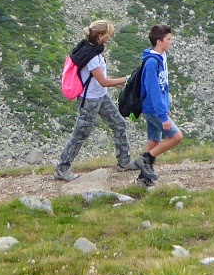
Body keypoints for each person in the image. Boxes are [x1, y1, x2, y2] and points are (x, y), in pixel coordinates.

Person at [54, 20, 133, 182]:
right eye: (108, 35)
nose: (109, 38)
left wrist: (115, 83)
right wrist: (127, 79)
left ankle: (124, 162)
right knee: (80, 135)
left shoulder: (92, 50)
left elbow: (101, 81)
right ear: (100, 36)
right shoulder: (92, 57)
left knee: (119, 124)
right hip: (90, 101)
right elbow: (103, 81)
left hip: (101, 97)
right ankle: (62, 169)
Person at [135, 25, 184, 187]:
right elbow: (153, 90)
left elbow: (164, 85)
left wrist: (165, 105)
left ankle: (143, 180)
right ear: (159, 41)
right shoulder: (151, 62)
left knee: (153, 141)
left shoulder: (162, 57)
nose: (171, 42)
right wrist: (162, 115)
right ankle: (145, 159)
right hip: (153, 109)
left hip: (157, 107)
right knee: (176, 136)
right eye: (168, 39)